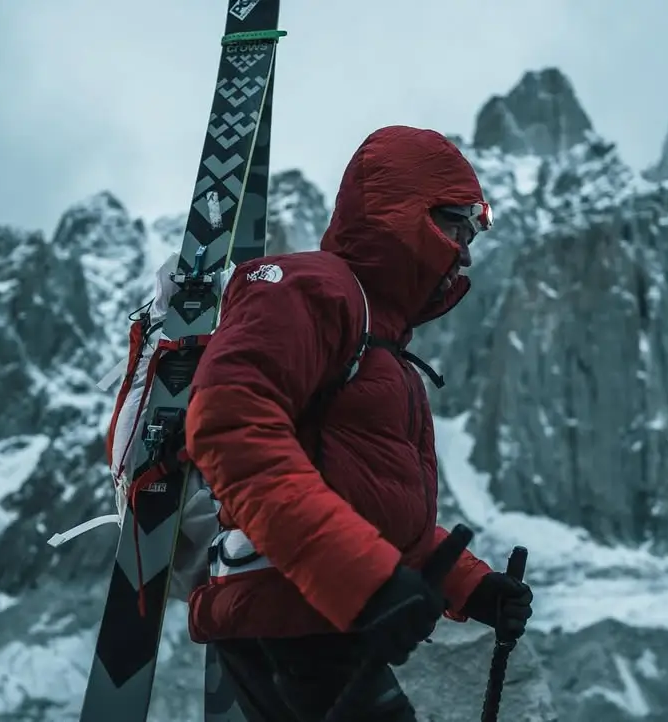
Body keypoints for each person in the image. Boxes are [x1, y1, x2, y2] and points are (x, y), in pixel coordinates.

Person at [184, 125, 534, 722]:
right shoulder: (312, 288)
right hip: (290, 614)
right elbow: (229, 422)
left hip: (322, 612)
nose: (467, 252)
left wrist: (472, 589)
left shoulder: (385, 346)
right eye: (459, 225)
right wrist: (364, 579)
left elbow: (374, 512)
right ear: (407, 218)